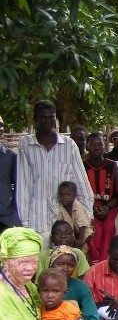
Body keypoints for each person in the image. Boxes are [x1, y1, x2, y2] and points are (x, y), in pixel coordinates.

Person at [17, 100, 94, 236]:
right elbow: (23, 186)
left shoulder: (69, 146)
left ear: (55, 118)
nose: (47, 121)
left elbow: (82, 183)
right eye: (43, 117)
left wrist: (87, 215)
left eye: (51, 117)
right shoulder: (25, 145)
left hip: (66, 221)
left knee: (67, 251)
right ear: (35, 119)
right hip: (37, 220)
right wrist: (25, 223)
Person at [84, 132, 118, 263]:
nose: (96, 147)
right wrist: (93, 207)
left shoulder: (113, 165)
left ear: (104, 146)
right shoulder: (82, 166)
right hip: (89, 207)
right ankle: (94, 261)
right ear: (87, 147)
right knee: (94, 228)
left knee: (110, 226)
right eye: (92, 144)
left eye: (99, 144)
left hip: (110, 206)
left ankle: (105, 261)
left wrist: (107, 207)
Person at [48, 245, 101, 320]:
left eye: (71, 265)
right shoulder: (42, 285)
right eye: (60, 264)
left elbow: (93, 318)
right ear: (51, 264)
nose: (65, 269)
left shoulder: (81, 287)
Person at [57, 180, 93, 254]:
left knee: (83, 247)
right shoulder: (60, 206)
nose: (64, 197)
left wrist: (81, 239)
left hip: (84, 233)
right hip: (72, 233)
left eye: (68, 195)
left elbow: (82, 224)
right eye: (62, 195)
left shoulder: (77, 205)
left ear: (74, 196)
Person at [0, 118, 21, 232]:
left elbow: (19, 187)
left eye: (1, 126)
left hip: (5, 219)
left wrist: (13, 207)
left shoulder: (10, 156)